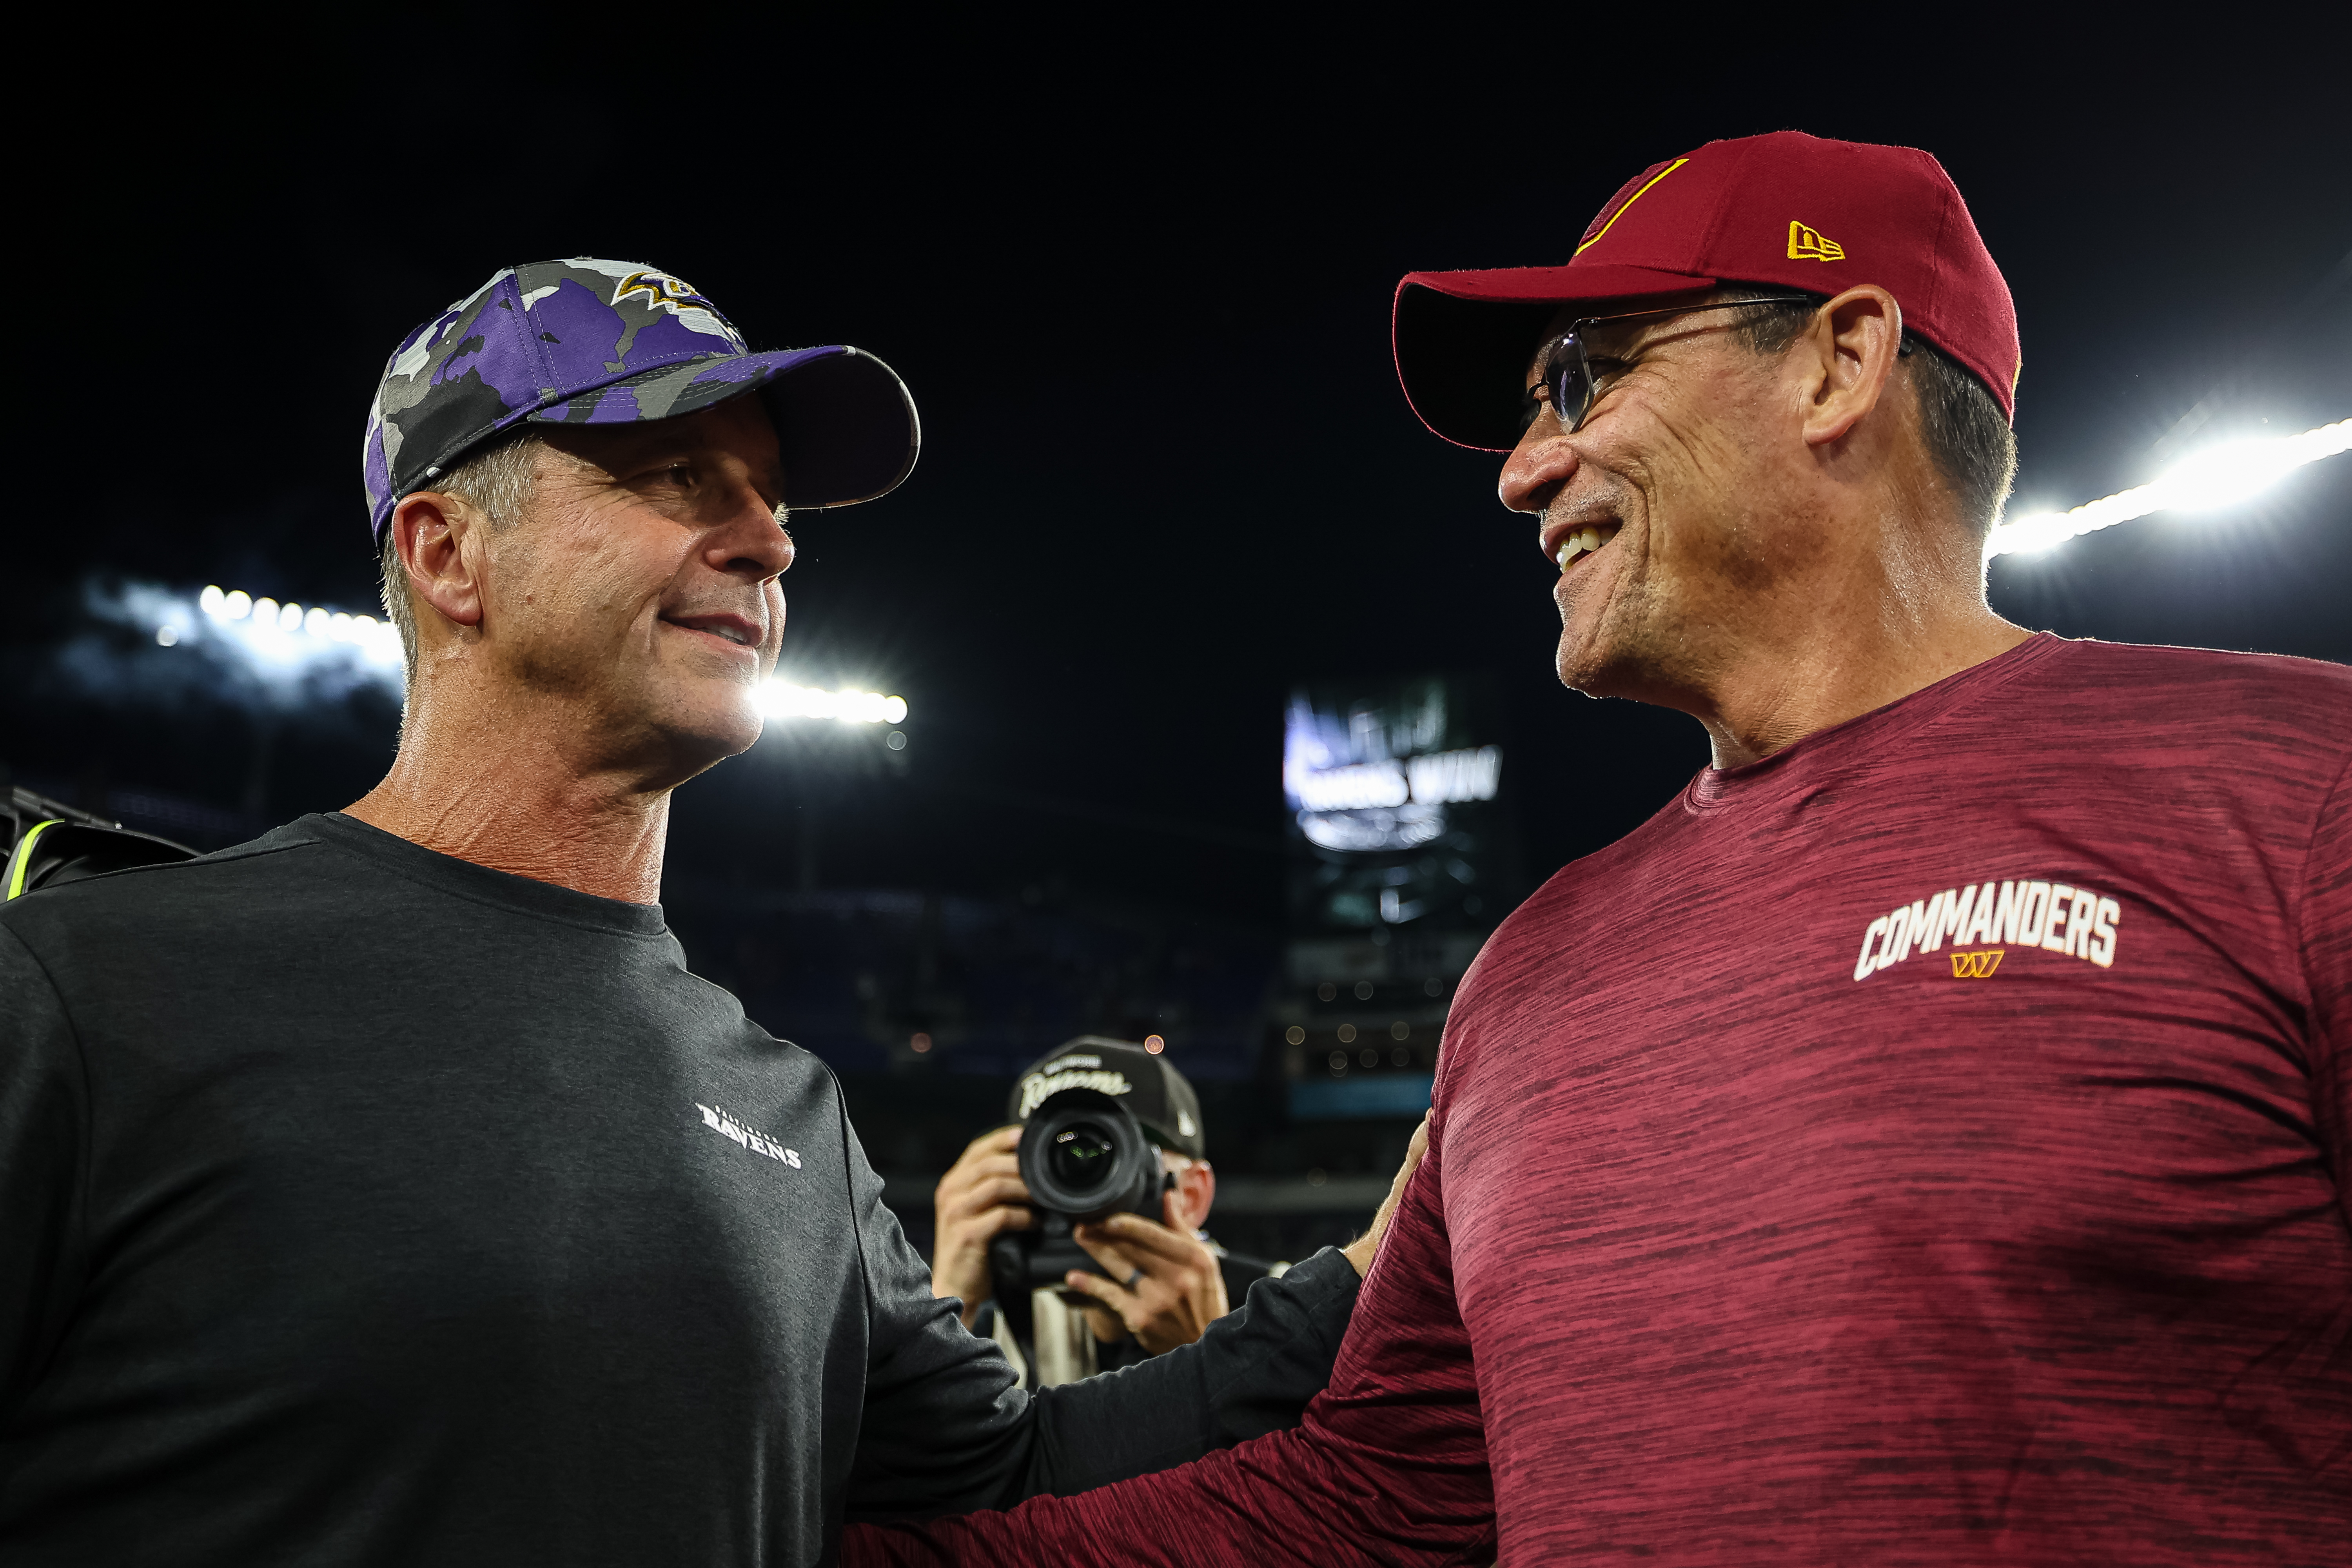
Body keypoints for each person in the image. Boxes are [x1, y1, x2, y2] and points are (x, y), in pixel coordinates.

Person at [844, 131, 2352, 1565]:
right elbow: (1364, 1499)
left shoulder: (2290, 787)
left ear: (1840, 358)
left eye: (1584, 376)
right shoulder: (1531, 971)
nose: (1521, 468)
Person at [0, 258, 1424, 1565]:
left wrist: (1381, 1260)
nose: (769, 544)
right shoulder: (96, 986)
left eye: (774, 501)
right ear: (448, 556)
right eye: (678, 475)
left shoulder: (790, 1112)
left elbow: (1019, 1473)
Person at [932, 1037, 1285, 1388]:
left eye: (1117, 1154)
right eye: (1053, 1163)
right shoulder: (986, 1332)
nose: (1078, 1196)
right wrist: (945, 1305)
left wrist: (1211, 1362)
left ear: (1191, 1195)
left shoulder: (1287, 1312)